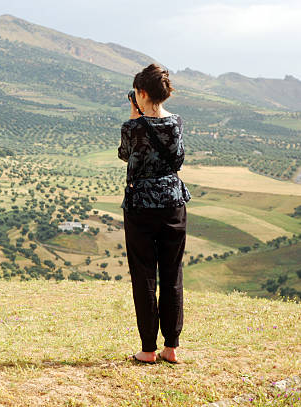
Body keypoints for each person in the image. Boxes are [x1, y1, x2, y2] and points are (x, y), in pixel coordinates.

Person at [118, 64, 191, 364]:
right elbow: (179, 160)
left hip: (140, 207)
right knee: (172, 273)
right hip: (173, 204)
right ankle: (171, 347)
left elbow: (125, 154)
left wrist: (136, 120)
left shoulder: (132, 127)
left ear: (142, 93)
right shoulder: (176, 124)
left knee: (144, 275)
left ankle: (148, 349)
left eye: (136, 92)